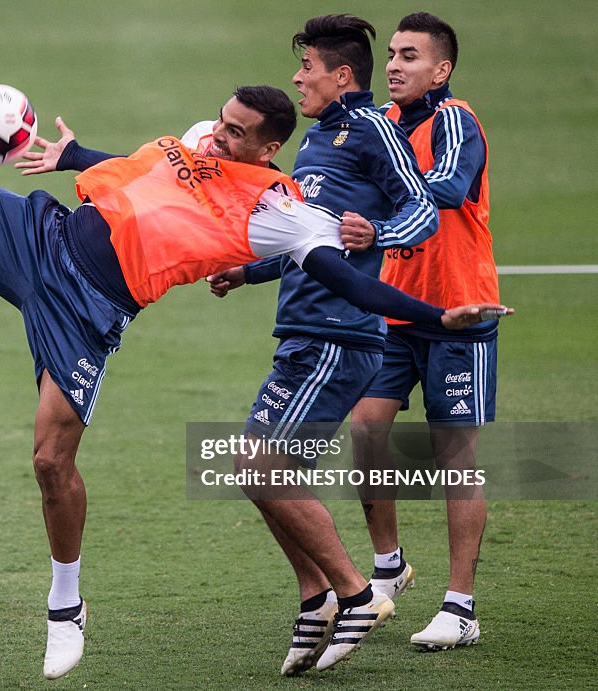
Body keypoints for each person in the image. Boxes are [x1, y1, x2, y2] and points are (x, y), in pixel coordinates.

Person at [0, 76, 505, 679]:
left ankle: (67, 603)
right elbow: (138, 172)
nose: (216, 135)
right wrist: (72, 156)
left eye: (235, 133)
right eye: (220, 121)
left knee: (49, 462)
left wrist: (435, 318)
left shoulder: (280, 208)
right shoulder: (197, 138)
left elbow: (349, 280)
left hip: (89, 310)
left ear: (266, 149)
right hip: (47, 236)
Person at [206, 15, 442, 675]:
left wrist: (383, 233)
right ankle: (316, 598)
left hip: (339, 334)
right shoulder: (316, 142)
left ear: (341, 75)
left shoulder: (370, 129)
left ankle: (357, 594)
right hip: (304, 331)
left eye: (306, 67)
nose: (296, 77)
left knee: (261, 466)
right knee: (258, 475)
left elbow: (422, 208)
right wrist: (247, 271)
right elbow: (306, 241)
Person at [348, 12, 499, 652]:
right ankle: (389, 569)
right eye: (392, 54)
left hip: (459, 311)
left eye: (410, 56)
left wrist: (383, 210)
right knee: (365, 429)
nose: (394, 65)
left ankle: (459, 608)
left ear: (441, 70)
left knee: (453, 458)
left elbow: (450, 186)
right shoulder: (380, 126)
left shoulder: (456, 120)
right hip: (394, 309)